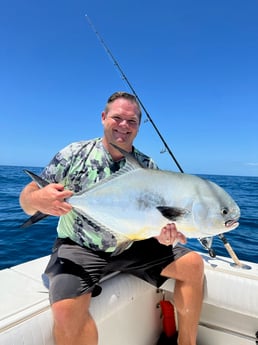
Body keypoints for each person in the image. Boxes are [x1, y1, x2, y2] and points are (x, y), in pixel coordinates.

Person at [19, 91, 204, 345]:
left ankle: (187, 343)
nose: (124, 126)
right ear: (104, 117)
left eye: (132, 121)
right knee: (65, 311)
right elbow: (28, 197)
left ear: (139, 126)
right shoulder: (75, 153)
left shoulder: (147, 167)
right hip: (81, 246)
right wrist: (38, 201)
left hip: (131, 244)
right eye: (117, 118)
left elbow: (155, 220)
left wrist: (163, 234)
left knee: (193, 265)